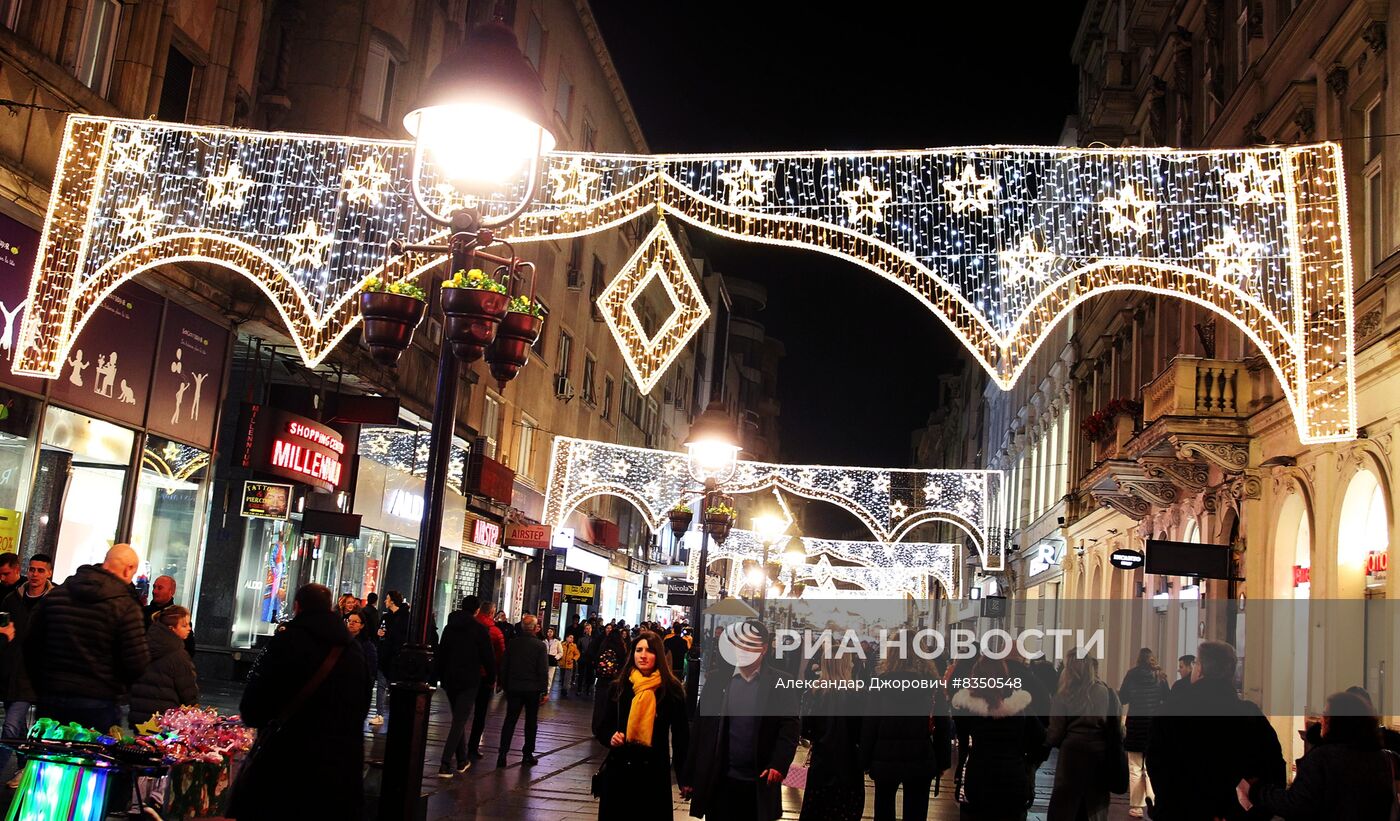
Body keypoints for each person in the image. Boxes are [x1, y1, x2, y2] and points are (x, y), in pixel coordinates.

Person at [229, 583, 368, 820]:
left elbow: (253, 708)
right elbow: (360, 708)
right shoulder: (352, 651)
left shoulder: (286, 642)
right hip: (337, 771)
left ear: (297, 607)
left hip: (285, 766)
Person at [1147, 641, 1284, 821]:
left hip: (1182, 812)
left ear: (1200, 670)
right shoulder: (1249, 715)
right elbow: (1274, 769)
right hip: (1235, 813)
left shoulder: (1170, 713)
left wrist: (1168, 808)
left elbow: (1158, 768)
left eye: (1196, 663)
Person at [683, 619, 799, 821]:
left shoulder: (780, 682)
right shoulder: (717, 680)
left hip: (759, 782)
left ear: (763, 648)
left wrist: (778, 764)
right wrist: (690, 775)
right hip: (720, 781)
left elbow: (789, 729)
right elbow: (701, 730)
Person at [25, 544, 149, 731]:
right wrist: (118, 688)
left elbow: (30, 644)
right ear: (128, 569)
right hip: (99, 701)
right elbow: (137, 662)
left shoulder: (56, 596)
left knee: (47, 752)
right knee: (91, 756)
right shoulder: (125, 606)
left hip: (51, 696)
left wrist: (42, 683)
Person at [1237, 690, 1395, 820]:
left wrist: (1257, 791)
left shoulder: (1323, 757)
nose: (1321, 720)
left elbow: (1297, 804)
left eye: (1326, 715)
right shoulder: (1381, 757)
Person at [592, 629, 689, 820]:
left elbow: (681, 737)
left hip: (653, 773)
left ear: (658, 655)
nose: (643, 655)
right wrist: (611, 736)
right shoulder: (619, 687)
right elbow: (602, 727)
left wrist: (684, 777)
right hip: (620, 770)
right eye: (638, 650)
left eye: (649, 651)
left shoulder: (671, 691)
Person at [950, 658, 1046, 821]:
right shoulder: (1021, 708)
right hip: (1013, 777)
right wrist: (1028, 763)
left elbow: (963, 743)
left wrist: (960, 773)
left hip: (979, 777)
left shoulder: (969, 709)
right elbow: (1042, 740)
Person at [861, 650, 942, 821]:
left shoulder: (880, 683)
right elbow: (942, 724)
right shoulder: (931, 684)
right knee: (916, 811)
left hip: (885, 756)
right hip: (921, 755)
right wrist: (942, 761)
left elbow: (870, 723)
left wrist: (865, 760)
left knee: (884, 808)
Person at [1046, 652, 1119, 821]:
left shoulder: (1063, 695)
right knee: (1094, 807)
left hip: (1070, 759)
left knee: (1067, 808)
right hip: (1099, 757)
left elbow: (1054, 735)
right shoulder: (1108, 693)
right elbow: (1116, 730)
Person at [0, 553, 52, 786]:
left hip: (36, 674)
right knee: (18, 725)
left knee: (11, 726)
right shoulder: (12, 599)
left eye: (40, 570)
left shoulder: (55, 600)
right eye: (32, 569)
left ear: (49, 573)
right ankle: (24, 767)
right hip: (11, 671)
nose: (35, 574)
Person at [435, 595, 494, 777]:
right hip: (470, 680)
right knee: (459, 720)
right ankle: (445, 763)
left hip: (450, 680)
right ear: (476, 610)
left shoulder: (449, 627)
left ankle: (462, 760)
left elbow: (441, 652)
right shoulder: (479, 630)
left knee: (458, 719)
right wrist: (492, 677)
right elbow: (488, 657)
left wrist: (439, 676)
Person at [802, 654, 866, 821]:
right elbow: (863, 731)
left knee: (818, 811)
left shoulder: (813, 692)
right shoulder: (859, 694)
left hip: (821, 762)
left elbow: (805, 729)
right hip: (850, 762)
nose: (852, 664)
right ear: (844, 665)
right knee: (846, 811)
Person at [1118, 648, 1169, 817]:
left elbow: (1123, 697)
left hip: (1135, 726)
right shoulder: (1160, 676)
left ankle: (1136, 806)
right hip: (1154, 727)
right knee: (1150, 766)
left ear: (1138, 660)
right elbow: (1167, 699)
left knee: (1134, 767)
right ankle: (1152, 800)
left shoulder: (1131, 675)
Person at [128, 605, 198, 728]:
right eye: (184, 625)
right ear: (172, 629)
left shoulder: (144, 646)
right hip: (164, 720)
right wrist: (194, 714)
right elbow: (187, 690)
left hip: (139, 717)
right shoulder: (178, 654)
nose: (189, 629)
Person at [496, 613, 548, 767]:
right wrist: (544, 690)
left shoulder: (513, 644)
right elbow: (543, 670)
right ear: (534, 628)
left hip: (514, 688)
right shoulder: (540, 646)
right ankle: (527, 754)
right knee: (531, 722)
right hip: (532, 689)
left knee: (510, 720)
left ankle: (502, 754)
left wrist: (504, 685)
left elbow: (504, 666)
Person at [467, 599, 506, 760]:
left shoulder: (469, 627)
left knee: (462, 712)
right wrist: (498, 678)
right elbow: (501, 656)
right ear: (492, 612)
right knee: (480, 713)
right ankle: (473, 747)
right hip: (485, 677)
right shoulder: (495, 632)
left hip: (467, 674)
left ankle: (458, 746)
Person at [369, 590, 408, 726]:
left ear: (392, 601)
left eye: (387, 598)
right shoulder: (386, 617)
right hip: (384, 654)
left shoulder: (404, 617)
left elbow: (400, 637)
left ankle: (392, 715)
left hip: (394, 657)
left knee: (391, 686)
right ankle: (379, 714)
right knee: (381, 685)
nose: (385, 601)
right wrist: (379, 633)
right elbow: (380, 631)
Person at [142, 575, 196, 656]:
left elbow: (189, 649)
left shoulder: (178, 617)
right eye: (154, 587)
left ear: (171, 591)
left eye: (160, 588)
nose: (154, 591)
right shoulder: (142, 612)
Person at [345, 611, 377, 722]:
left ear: (362, 625)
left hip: (357, 688)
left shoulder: (367, 645)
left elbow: (371, 670)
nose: (351, 623)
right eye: (349, 621)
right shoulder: (341, 640)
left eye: (355, 621)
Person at [576, 622, 598, 696]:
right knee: (581, 674)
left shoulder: (594, 639)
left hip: (590, 659)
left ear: (591, 629)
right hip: (582, 658)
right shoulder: (581, 638)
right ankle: (579, 689)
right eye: (587, 628)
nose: (588, 630)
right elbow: (578, 648)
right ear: (584, 629)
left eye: (589, 628)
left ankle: (588, 689)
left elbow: (595, 649)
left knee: (590, 674)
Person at [543, 626, 563, 701]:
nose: (549, 633)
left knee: (550, 677)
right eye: (548, 632)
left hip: (552, 660)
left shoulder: (557, 642)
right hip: (544, 659)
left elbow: (561, 652)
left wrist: (556, 657)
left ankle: (547, 691)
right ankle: (542, 690)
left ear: (554, 633)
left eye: (551, 632)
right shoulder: (544, 641)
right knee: (544, 675)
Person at [558, 634, 580, 699]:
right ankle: (563, 690)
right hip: (562, 665)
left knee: (567, 679)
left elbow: (577, 654)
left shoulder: (574, 646)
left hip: (569, 665)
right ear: (567, 638)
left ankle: (565, 691)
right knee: (562, 678)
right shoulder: (562, 645)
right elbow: (559, 652)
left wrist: (573, 659)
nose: (571, 639)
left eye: (572, 638)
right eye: (570, 637)